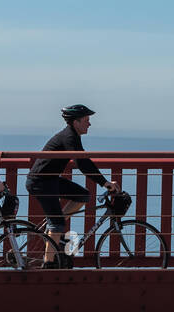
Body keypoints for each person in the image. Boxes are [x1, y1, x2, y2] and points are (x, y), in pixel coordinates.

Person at [26, 104, 121, 267]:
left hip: (50, 180)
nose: (89, 124)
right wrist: (104, 183)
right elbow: (82, 163)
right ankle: (48, 263)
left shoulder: (72, 136)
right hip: (40, 182)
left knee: (82, 195)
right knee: (57, 225)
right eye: (86, 120)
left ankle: (55, 228)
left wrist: (103, 182)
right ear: (76, 122)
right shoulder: (69, 137)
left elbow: (84, 161)